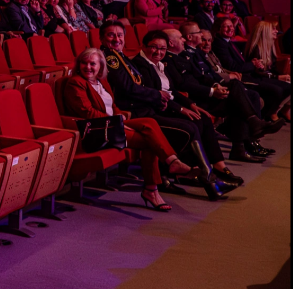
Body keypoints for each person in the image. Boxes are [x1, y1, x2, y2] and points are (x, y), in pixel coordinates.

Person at [101, 23, 232, 200]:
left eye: (120, 35)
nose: (117, 39)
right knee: (190, 127)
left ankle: (209, 175)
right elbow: (128, 88)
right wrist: (158, 97)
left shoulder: (121, 56)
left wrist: (179, 102)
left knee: (198, 121)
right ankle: (207, 178)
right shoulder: (111, 58)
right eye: (111, 35)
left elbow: (162, 89)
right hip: (135, 112)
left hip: (147, 108)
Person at [61, 49, 197, 211]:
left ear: (100, 66)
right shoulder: (76, 83)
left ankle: (170, 165)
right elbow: (87, 113)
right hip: (97, 130)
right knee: (149, 142)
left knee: (149, 122)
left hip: (112, 124)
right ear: (79, 65)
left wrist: (119, 117)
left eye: (92, 64)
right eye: (84, 63)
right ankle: (155, 186)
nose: (88, 67)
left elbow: (113, 106)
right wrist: (116, 122)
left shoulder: (101, 82)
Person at [165, 26, 274, 163]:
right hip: (194, 98)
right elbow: (183, 85)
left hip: (204, 93)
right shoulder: (168, 60)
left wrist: (216, 85)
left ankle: (244, 142)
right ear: (171, 43)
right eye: (180, 38)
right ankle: (248, 135)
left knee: (241, 94)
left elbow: (201, 76)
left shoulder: (183, 56)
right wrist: (211, 92)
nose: (183, 40)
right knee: (238, 98)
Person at [213, 17, 290, 120]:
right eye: (226, 26)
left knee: (286, 87)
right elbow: (233, 67)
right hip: (242, 77)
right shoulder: (219, 44)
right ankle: (265, 117)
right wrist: (253, 64)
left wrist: (254, 64)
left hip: (249, 74)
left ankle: (273, 113)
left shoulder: (228, 42)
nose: (230, 28)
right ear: (218, 29)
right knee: (277, 90)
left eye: (231, 26)